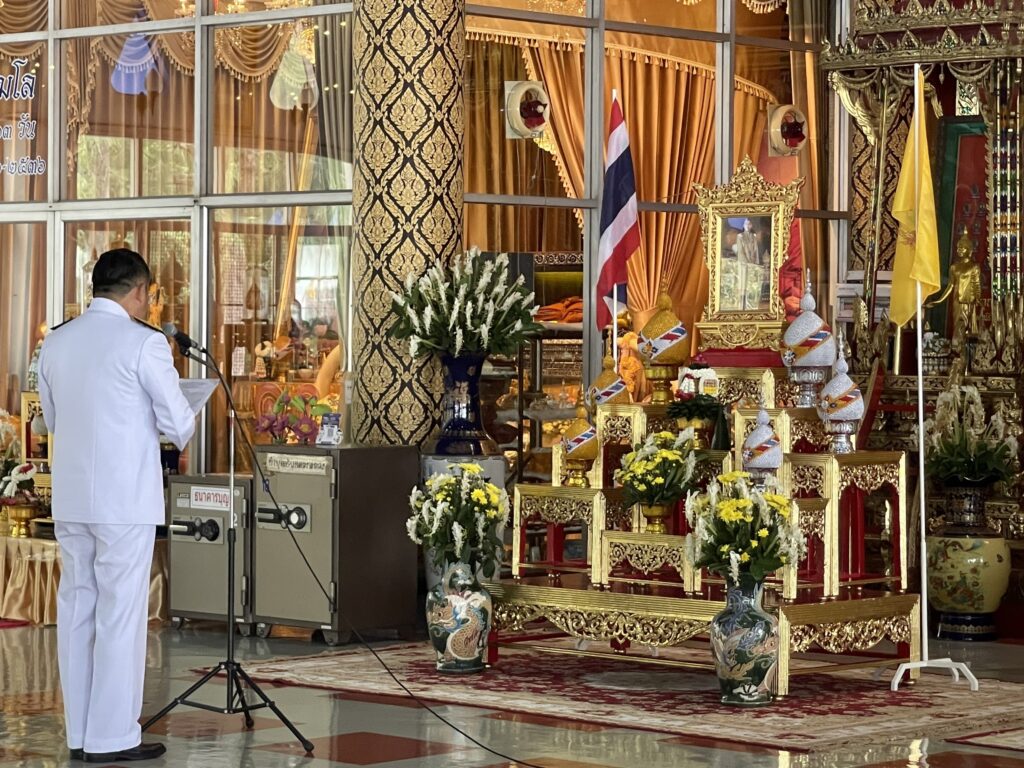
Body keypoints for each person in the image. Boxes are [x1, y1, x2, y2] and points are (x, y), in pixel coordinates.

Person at [37, 248, 196, 764]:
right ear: (140, 292)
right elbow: (179, 425)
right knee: (120, 616)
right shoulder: (144, 343)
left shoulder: (56, 341)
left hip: (72, 498)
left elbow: (51, 420)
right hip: (124, 500)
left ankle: (80, 733)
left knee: (77, 610)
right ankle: (113, 737)